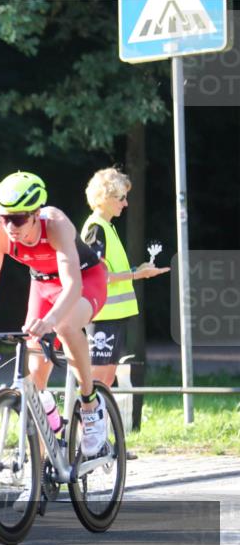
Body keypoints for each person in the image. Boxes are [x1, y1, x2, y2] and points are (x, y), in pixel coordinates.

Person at [0, 172, 111, 506]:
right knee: (33, 382)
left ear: (36, 214)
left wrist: (51, 321)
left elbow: (72, 288)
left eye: (19, 218)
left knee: (67, 327)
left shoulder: (57, 225)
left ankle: (90, 404)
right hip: (42, 286)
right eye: (4, 217)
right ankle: (39, 472)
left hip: (85, 280)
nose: (11, 226)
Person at [81, 168, 169, 459]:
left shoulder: (106, 226)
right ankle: (87, 441)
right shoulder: (96, 228)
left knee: (104, 382)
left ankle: (99, 442)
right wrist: (137, 274)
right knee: (96, 381)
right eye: (121, 197)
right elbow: (98, 274)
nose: (125, 203)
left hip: (112, 316)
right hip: (102, 315)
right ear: (104, 198)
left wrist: (137, 272)